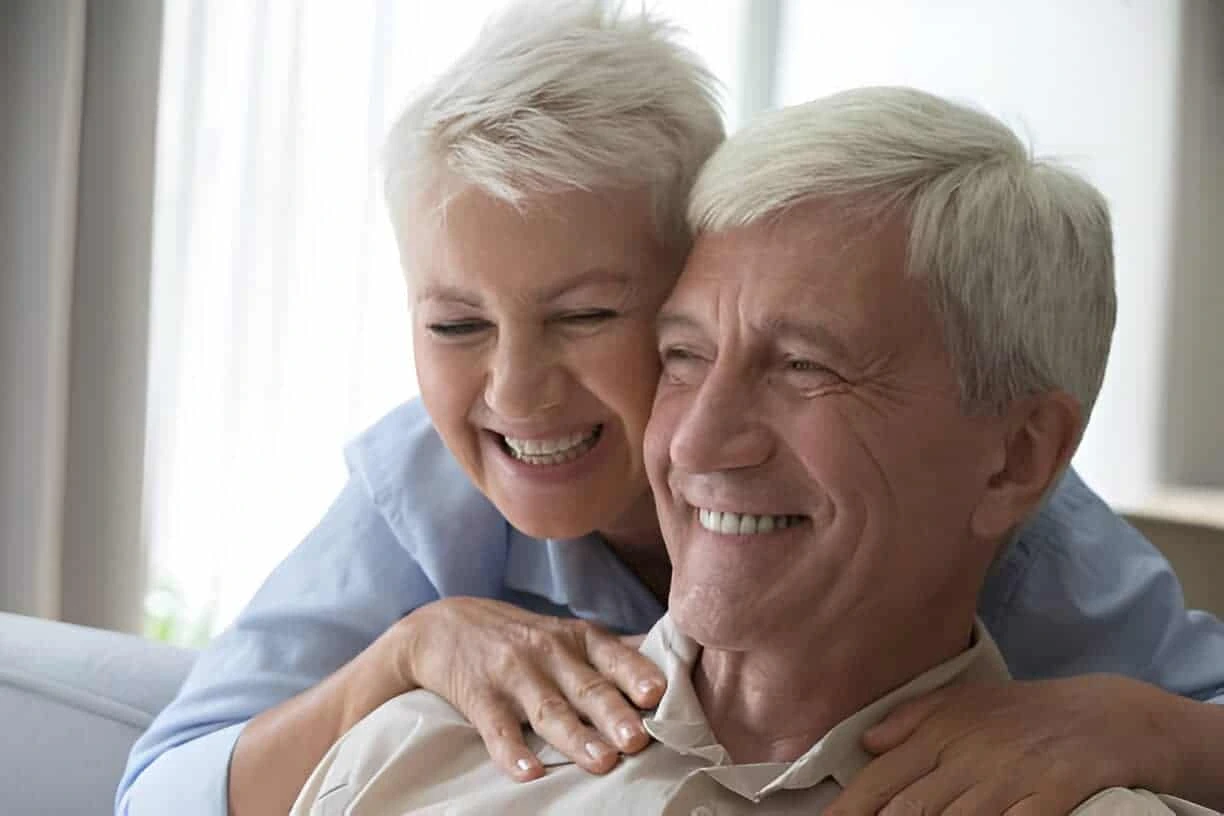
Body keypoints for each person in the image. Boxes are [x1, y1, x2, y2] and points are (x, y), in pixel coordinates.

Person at [116, 3, 1224, 815]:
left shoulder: (998, 507)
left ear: (704, 268)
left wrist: (1151, 728)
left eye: (591, 315)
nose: (515, 392)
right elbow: (162, 792)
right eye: (456, 326)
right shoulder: (422, 495)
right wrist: (404, 656)